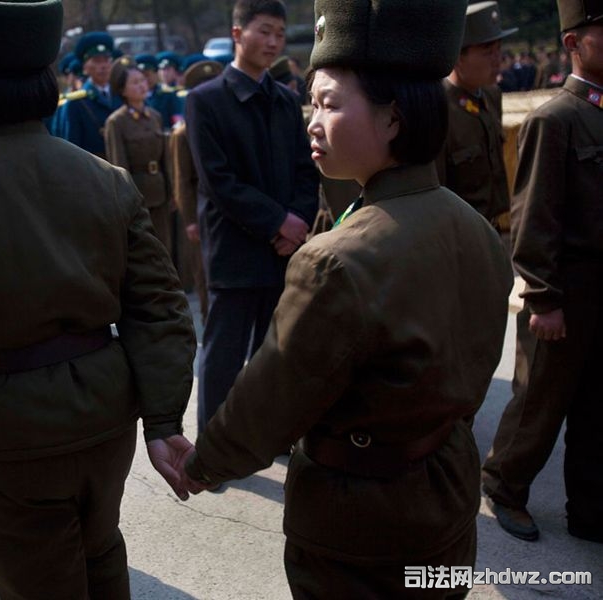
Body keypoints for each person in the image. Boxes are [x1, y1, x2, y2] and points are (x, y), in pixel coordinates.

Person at [180, 0, 513, 597]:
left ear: (393, 119)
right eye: (312, 102)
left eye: (330, 104)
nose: (312, 120)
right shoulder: (473, 227)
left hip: (361, 526)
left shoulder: (336, 258)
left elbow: (269, 401)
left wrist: (201, 465)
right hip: (448, 494)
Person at [0, 0, 197, 598]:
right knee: (101, 548)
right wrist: (163, 419)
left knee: (39, 578)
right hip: (103, 420)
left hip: (6, 434)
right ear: (48, 84)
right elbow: (160, 305)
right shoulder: (106, 179)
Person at [481, 0, 603, 545]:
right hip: (565, 289)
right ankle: (503, 486)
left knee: (598, 410)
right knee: (539, 403)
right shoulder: (553, 119)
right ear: (574, 43)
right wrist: (543, 298)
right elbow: (534, 216)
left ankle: (591, 510)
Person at [185, 0, 319, 437]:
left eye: (279, 33)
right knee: (224, 351)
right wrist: (280, 222)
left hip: (283, 246)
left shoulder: (283, 99)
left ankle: (266, 435)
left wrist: (297, 219)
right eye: (264, 30)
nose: (273, 41)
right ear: (238, 34)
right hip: (235, 245)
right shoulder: (206, 101)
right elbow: (219, 182)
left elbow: (305, 168)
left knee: (273, 350)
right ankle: (214, 442)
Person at [436, 1, 516, 228]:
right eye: (487, 52)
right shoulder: (439, 109)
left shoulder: (491, 96)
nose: (497, 59)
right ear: (458, 58)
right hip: (460, 237)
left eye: (499, 49)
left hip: (493, 229)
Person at [170, 59, 223, 323]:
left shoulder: (226, 125)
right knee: (204, 275)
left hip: (225, 213)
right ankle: (208, 318)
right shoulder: (183, 134)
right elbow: (182, 180)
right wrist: (190, 219)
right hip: (200, 215)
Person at [104, 59, 172, 253]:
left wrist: (171, 189)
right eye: (134, 82)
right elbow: (119, 165)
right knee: (144, 249)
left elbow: (165, 159)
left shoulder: (155, 116)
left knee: (165, 245)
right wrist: (127, 200)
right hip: (137, 195)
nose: (142, 85)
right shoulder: (116, 122)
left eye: (142, 80)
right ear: (123, 90)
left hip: (160, 192)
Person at [52, 31, 120, 157]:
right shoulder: (76, 103)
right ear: (84, 67)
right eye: (97, 61)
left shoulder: (122, 95)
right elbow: (71, 149)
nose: (103, 66)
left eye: (106, 60)